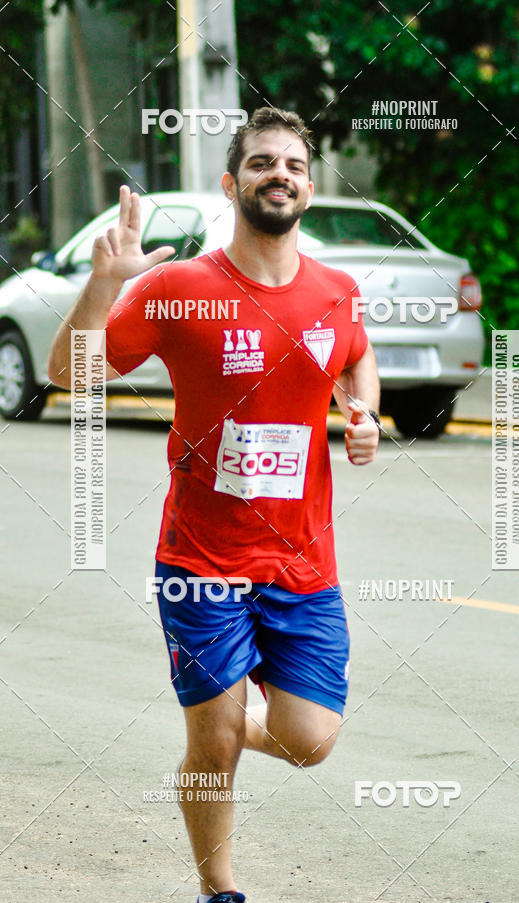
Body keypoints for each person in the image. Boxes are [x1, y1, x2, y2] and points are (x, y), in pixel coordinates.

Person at [48, 106, 380, 903]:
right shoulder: (179, 288)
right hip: (200, 562)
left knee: (311, 741)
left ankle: (229, 728)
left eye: (295, 165)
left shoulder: (337, 291)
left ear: (308, 185)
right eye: (263, 163)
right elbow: (69, 371)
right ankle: (219, 890)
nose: (281, 175)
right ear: (233, 184)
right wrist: (103, 283)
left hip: (303, 561)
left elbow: (356, 358)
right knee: (214, 744)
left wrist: (362, 412)